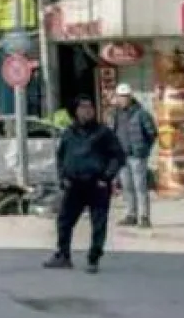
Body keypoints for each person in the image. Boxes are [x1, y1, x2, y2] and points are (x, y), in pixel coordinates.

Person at [45, 95, 126, 274]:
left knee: (98, 223)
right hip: (74, 185)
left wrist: (106, 177)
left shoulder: (103, 133)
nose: (87, 110)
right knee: (64, 220)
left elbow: (118, 156)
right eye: (83, 107)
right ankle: (63, 255)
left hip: (97, 184)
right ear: (75, 110)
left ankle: (94, 258)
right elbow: (61, 157)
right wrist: (63, 177)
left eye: (90, 107)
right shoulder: (69, 133)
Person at [109, 84, 157, 229]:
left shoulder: (141, 113)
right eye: (120, 96)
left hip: (137, 156)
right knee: (127, 187)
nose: (122, 99)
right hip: (122, 157)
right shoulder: (114, 114)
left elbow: (152, 133)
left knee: (140, 187)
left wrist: (144, 150)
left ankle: (144, 217)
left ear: (130, 97)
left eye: (125, 96)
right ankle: (131, 215)